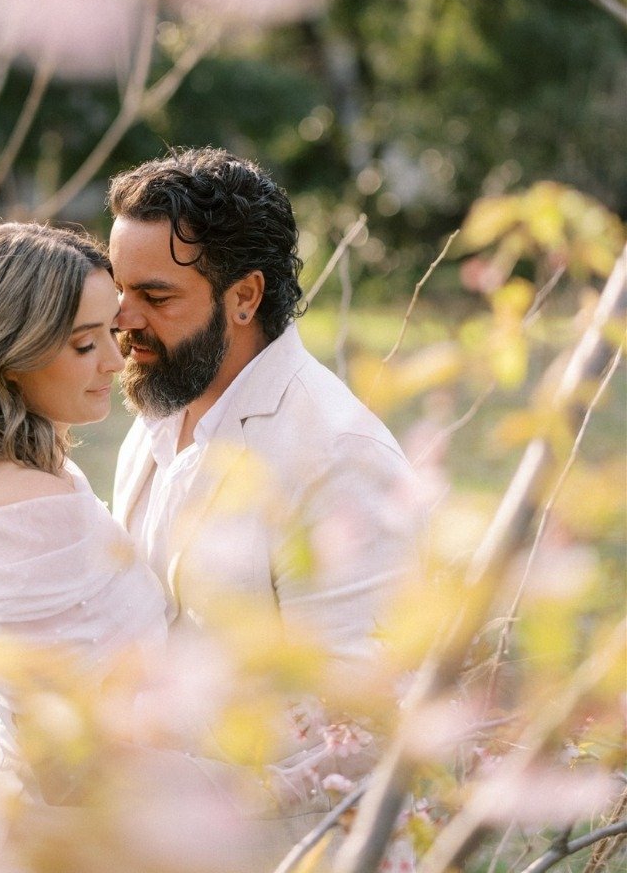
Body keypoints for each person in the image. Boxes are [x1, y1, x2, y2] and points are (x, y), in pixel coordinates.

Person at [108, 147, 425, 869]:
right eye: (118, 289)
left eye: (155, 298)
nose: (122, 320)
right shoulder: (159, 409)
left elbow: (359, 727)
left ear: (244, 297)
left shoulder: (338, 459)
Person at [0, 222, 170, 873]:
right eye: (86, 344)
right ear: (12, 352)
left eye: (113, 332)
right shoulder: (37, 509)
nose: (115, 360)